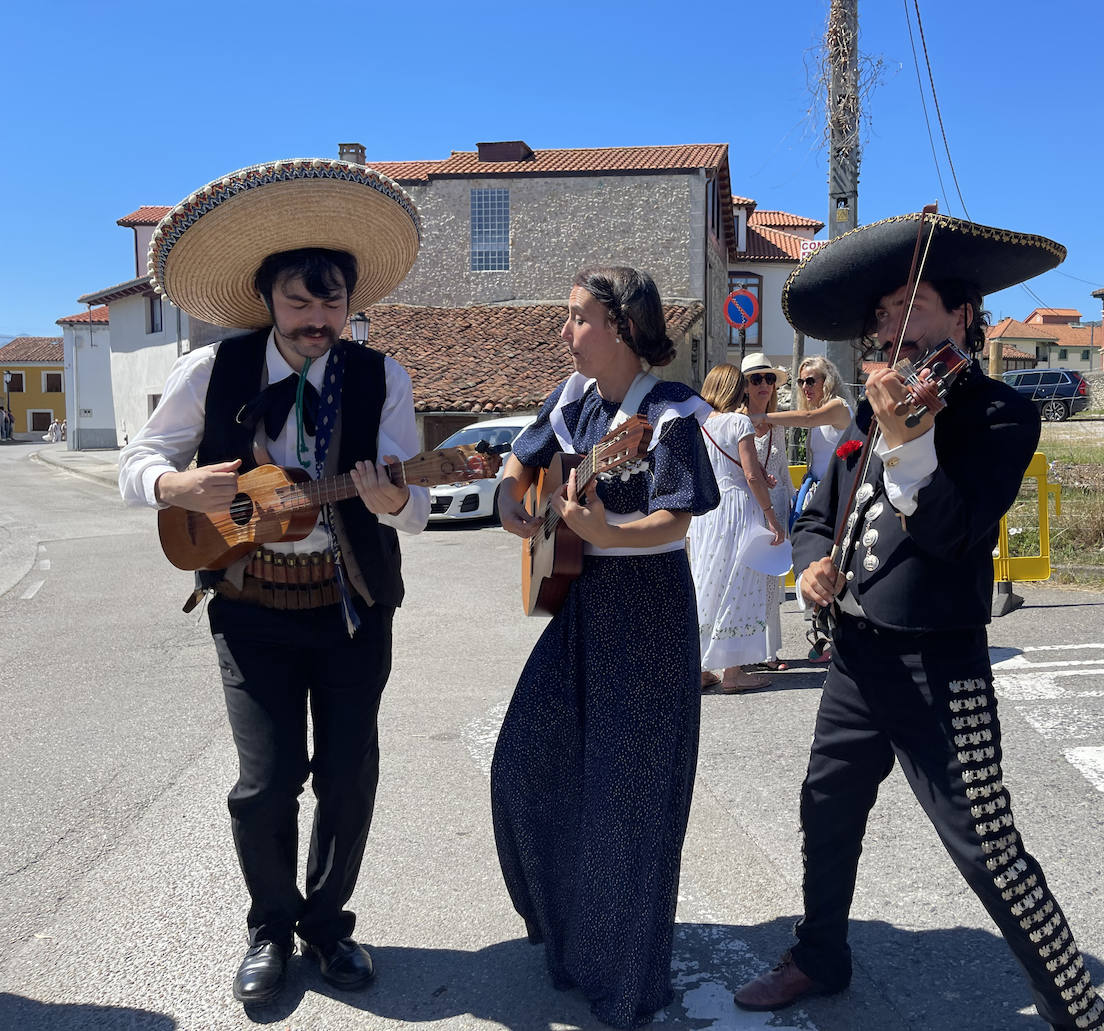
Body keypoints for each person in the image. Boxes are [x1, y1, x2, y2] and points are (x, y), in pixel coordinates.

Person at [734, 213, 1104, 1031]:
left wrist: (911, 442)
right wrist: (810, 562)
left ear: (963, 317)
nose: (892, 324)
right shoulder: (872, 414)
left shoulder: (999, 415)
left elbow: (951, 531)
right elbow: (817, 509)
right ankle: (820, 954)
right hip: (857, 655)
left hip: (940, 664)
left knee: (990, 849)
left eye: (913, 304)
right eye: (883, 313)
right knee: (826, 803)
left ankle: (1078, 1011)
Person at [117, 159, 426, 1006]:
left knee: (349, 773)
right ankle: (269, 925)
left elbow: (417, 507)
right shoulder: (212, 370)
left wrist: (396, 494)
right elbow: (136, 461)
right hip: (250, 608)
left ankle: (327, 924)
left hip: (352, 605)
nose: (319, 320)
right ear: (269, 300)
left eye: (333, 303)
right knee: (265, 781)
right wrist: (175, 486)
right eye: (301, 302)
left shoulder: (380, 377)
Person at [492, 265, 720, 1028]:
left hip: (649, 616)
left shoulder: (672, 413)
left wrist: (607, 530)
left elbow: (678, 519)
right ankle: (571, 937)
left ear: (622, 327)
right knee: (526, 762)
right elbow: (521, 459)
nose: (566, 331)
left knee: (631, 803)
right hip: (583, 605)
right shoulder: (572, 398)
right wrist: (511, 498)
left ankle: (623, 976)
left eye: (579, 318)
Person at [753, 354, 856, 662]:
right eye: (801, 381)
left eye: (811, 380)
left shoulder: (836, 407)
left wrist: (763, 417)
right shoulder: (818, 412)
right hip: (820, 498)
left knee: (834, 566)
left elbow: (808, 420)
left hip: (840, 498)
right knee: (814, 565)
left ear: (828, 381)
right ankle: (826, 635)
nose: (805, 386)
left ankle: (838, 636)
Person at [691, 363, 786, 693]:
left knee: (708, 582)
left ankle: (701, 669)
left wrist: (761, 475)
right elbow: (748, 475)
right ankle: (733, 674)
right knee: (740, 582)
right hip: (737, 509)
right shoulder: (739, 421)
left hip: (706, 513)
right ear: (737, 388)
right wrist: (771, 516)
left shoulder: (700, 423)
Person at [739, 353, 793, 670]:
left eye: (769, 379)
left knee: (772, 581)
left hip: (776, 509)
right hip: (748, 510)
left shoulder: (778, 424)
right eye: (756, 379)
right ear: (744, 385)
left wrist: (789, 510)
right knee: (747, 582)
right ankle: (744, 651)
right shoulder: (736, 422)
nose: (764, 385)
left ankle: (769, 651)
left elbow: (783, 470)